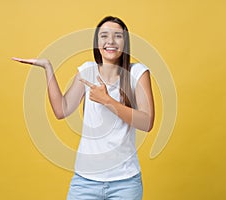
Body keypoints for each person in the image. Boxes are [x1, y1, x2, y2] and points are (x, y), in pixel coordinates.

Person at [12, 16, 155, 200]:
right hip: (85, 181)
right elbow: (61, 110)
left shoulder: (138, 73)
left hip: (125, 182)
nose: (110, 41)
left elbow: (147, 122)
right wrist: (48, 68)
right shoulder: (87, 71)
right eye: (104, 36)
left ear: (125, 42)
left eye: (117, 36)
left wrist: (107, 101)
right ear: (97, 43)